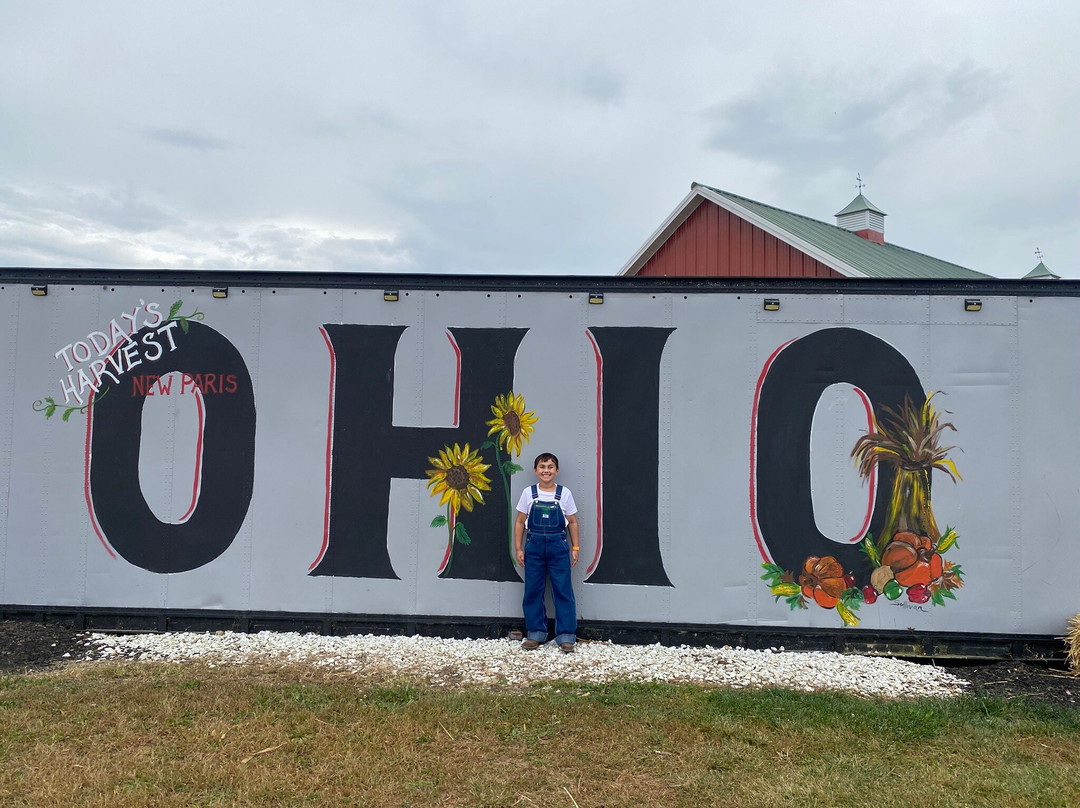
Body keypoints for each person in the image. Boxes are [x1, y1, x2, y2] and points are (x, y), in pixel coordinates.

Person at [514, 452, 580, 653]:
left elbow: (573, 522)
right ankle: (535, 633)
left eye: (550, 467)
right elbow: (519, 522)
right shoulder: (528, 493)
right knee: (533, 590)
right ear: (536, 471)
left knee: (562, 590)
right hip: (533, 547)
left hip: (558, 547)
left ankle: (566, 636)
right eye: (542, 467)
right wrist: (518, 548)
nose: (546, 471)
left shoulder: (564, 494)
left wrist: (575, 547)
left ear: (556, 471)